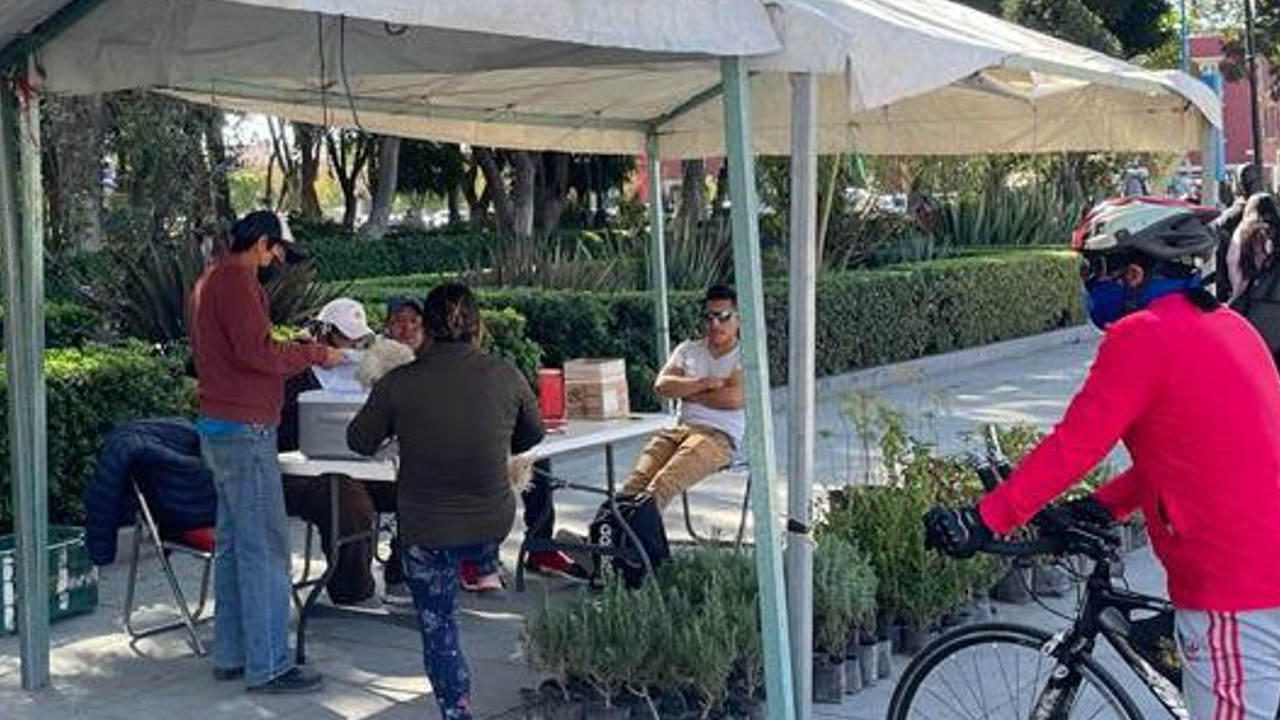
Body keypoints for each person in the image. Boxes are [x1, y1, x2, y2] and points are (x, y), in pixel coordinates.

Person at [924, 197, 1280, 720]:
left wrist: (982, 518)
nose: (1089, 282)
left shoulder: (1143, 335)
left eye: (1094, 269)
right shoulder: (1229, 328)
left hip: (1235, 586)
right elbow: (1190, 451)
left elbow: (1074, 444)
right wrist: (1104, 506)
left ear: (1132, 273)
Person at [347, 282, 544, 720]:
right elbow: (533, 435)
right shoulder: (506, 373)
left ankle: (456, 710)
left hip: (427, 530)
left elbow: (358, 441)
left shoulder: (399, 383)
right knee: (472, 540)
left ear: (426, 329)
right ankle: (483, 568)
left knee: (440, 628)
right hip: (493, 521)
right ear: (478, 327)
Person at [188, 210, 342, 694]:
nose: (278, 260)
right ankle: (270, 663)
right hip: (245, 430)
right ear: (261, 243)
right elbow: (257, 355)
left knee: (236, 546)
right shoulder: (236, 282)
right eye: (277, 250)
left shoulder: (211, 280)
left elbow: (247, 348)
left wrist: (287, 346)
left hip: (223, 425)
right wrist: (315, 353)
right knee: (265, 550)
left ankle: (234, 654)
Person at [279, 297, 407, 606]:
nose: (351, 344)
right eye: (342, 336)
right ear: (322, 332)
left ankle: (401, 573)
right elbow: (282, 436)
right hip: (303, 471)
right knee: (346, 497)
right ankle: (352, 588)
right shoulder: (296, 371)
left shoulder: (369, 370)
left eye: (358, 338)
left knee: (420, 487)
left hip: (362, 462)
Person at [619, 284, 744, 510]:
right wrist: (704, 384)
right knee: (634, 484)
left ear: (739, 319)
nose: (715, 324)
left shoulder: (745, 355)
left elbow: (732, 399)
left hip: (718, 437)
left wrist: (686, 392)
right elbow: (662, 386)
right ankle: (607, 537)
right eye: (709, 317)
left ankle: (631, 542)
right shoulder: (688, 349)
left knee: (661, 485)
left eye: (723, 317)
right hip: (679, 430)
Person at [1211, 164, 1263, 301]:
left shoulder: (1229, 216)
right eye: (1252, 181)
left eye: (1255, 180)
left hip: (1240, 287)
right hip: (1254, 286)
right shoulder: (1269, 212)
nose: (1255, 184)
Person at [1226, 193, 1280, 303]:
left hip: (1248, 292)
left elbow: (1232, 259)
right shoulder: (1277, 226)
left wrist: (1236, 291)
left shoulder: (1243, 229)